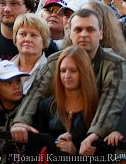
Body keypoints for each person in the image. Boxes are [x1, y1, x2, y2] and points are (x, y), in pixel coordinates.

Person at [11, 8, 126, 153]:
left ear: (101, 33)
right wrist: (21, 121)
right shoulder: (55, 61)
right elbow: (36, 91)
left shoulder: (114, 64)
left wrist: (94, 134)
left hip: (101, 143)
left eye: (90, 29)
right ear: (69, 33)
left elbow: (112, 101)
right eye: (78, 29)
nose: (84, 35)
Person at [32, 47, 104, 156]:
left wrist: (75, 151)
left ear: (84, 72)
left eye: (73, 71)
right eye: (63, 70)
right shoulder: (46, 106)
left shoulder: (98, 107)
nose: (67, 76)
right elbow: (36, 147)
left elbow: (103, 155)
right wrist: (55, 144)